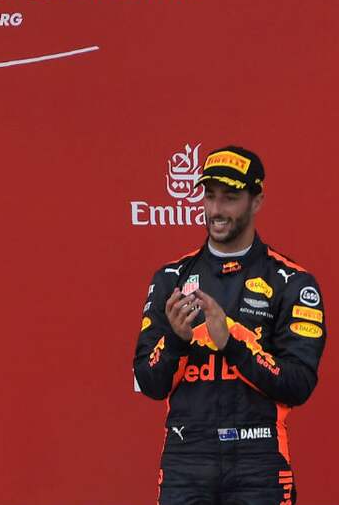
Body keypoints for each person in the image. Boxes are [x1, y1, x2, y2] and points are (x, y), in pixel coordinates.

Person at [133, 146, 326, 504]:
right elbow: (149, 382)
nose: (217, 210)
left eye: (231, 198)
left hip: (260, 461)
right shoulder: (170, 279)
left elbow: (298, 385)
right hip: (186, 458)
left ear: (257, 201)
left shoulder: (293, 283)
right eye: (210, 197)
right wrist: (175, 342)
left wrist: (233, 342)